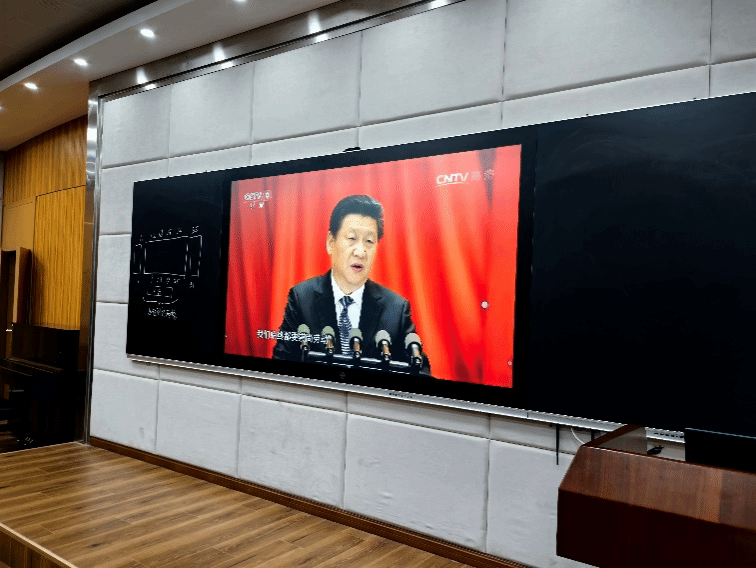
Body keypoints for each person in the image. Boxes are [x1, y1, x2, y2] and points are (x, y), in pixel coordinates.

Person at [272, 195, 430, 373]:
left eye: (369, 241)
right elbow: (281, 364)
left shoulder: (396, 309)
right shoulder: (302, 298)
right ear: (331, 242)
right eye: (352, 238)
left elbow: (420, 373)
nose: (360, 252)